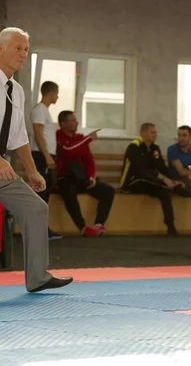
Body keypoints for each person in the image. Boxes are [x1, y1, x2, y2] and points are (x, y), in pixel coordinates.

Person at [0, 27, 72, 292]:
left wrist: (32, 171)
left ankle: (37, 276)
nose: (23, 53)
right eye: (17, 48)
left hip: (2, 169)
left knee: (36, 208)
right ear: (0, 49)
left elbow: (18, 136)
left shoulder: (16, 91)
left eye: (26, 49)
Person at [55, 111, 115, 237]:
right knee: (68, 191)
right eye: (72, 120)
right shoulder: (58, 136)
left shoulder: (80, 138)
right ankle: (83, 228)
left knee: (108, 190)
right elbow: (69, 150)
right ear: (63, 124)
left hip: (79, 178)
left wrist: (91, 176)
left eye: (75, 120)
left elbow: (89, 160)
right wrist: (88, 139)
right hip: (64, 178)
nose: (76, 122)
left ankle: (99, 224)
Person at [120, 123, 184, 236]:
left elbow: (161, 167)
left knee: (164, 193)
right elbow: (141, 170)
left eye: (156, 132)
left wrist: (173, 179)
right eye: (152, 132)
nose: (156, 135)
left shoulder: (155, 148)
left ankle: (170, 225)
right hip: (132, 182)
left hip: (149, 181)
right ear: (143, 133)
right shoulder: (134, 147)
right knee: (154, 182)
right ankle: (169, 187)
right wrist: (163, 180)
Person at [30, 80, 62, 240]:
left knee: (46, 192)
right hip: (41, 156)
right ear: (50, 93)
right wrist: (47, 156)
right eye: (56, 93)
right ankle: (39, 231)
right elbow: (37, 134)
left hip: (45, 156)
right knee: (41, 193)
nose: (58, 96)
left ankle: (42, 229)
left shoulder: (45, 111)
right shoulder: (40, 110)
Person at [166, 125, 191, 197]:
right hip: (178, 179)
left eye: (184, 135)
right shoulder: (172, 149)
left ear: (190, 136)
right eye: (179, 135)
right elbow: (181, 171)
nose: (181, 138)